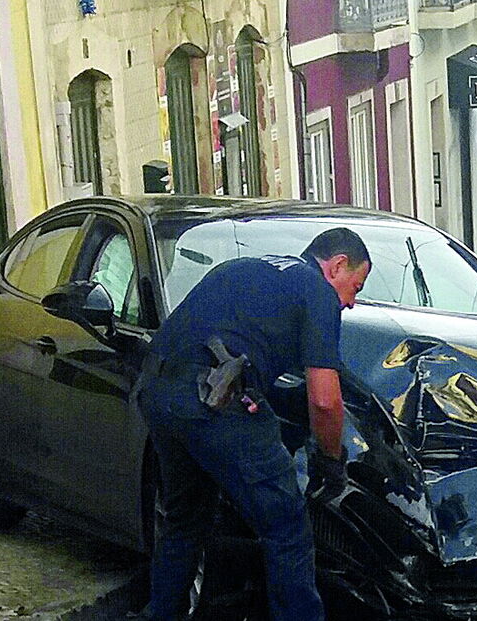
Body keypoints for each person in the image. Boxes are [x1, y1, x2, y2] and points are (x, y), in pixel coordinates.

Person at [135, 227, 371, 621]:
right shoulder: (316, 292)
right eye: (356, 287)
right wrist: (331, 461)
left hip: (158, 393)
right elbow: (325, 401)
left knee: (184, 522)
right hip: (215, 400)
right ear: (336, 266)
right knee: (287, 529)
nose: (351, 303)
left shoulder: (244, 267)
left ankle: (161, 614)